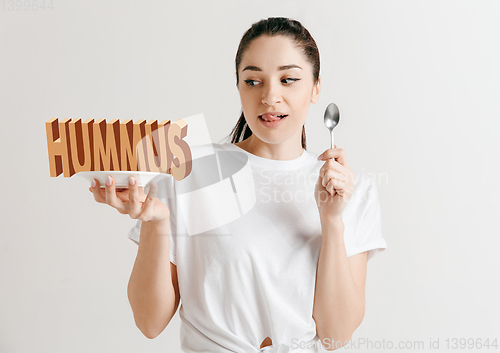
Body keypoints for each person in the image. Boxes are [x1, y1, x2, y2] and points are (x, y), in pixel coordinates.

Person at [89, 17, 387, 353]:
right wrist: (155, 221)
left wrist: (332, 221)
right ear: (239, 88)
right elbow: (149, 321)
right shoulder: (190, 170)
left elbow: (336, 335)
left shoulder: (352, 190)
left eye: (288, 79)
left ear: (316, 87)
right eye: (253, 81)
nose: (270, 96)